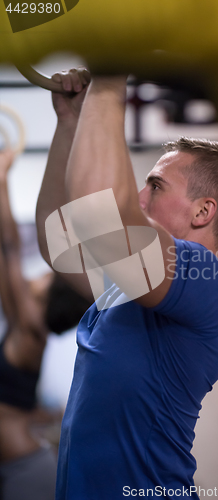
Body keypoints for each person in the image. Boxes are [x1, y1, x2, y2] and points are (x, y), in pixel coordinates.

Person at [36, 69, 218, 499]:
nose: (139, 196)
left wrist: (110, 77)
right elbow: (57, 241)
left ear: (203, 212)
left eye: (155, 185)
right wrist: (71, 123)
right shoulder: (129, 283)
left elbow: (104, 215)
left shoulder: (208, 284)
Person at [0, 149, 93, 500]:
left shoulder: (30, 332)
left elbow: (8, 248)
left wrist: (2, 178)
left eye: (46, 274)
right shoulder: (24, 329)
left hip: (24, 470)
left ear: (52, 294)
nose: (37, 274)